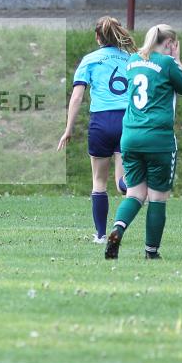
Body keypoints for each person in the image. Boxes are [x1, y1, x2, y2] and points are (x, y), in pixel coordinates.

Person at [105, 24, 182, 260]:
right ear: (169, 44)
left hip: (130, 137)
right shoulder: (167, 63)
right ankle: (151, 252)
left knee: (134, 193)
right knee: (157, 197)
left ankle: (117, 230)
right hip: (158, 138)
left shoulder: (132, 61)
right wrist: (177, 60)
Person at [57, 16, 135, 244]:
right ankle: (136, 185)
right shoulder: (131, 59)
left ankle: (101, 236)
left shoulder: (90, 60)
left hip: (101, 122)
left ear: (97, 37)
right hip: (127, 121)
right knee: (123, 184)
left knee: (99, 182)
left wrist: (68, 129)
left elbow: (77, 96)